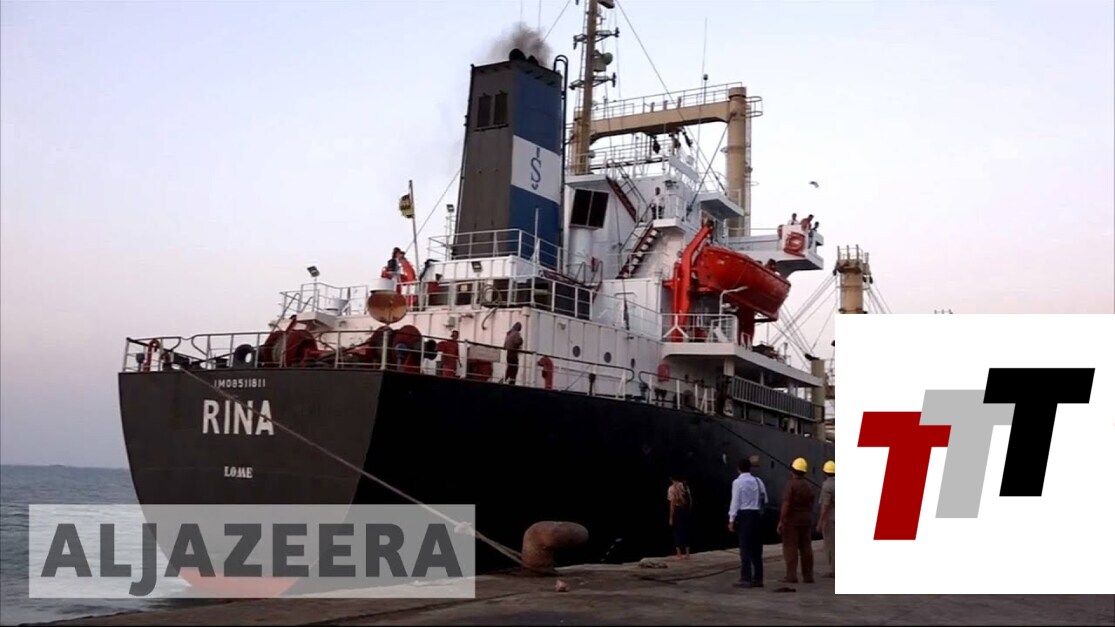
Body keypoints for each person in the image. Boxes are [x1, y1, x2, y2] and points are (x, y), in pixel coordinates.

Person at [728, 458, 767, 588]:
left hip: (744, 516)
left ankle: (746, 578)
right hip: (757, 515)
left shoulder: (737, 482)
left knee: (745, 548)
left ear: (738, 468)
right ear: (750, 468)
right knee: (757, 549)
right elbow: (765, 499)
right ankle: (758, 578)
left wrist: (731, 520)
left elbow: (735, 501)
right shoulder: (758, 481)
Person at [778, 457, 816, 584]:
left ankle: (791, 576)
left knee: (791, 548)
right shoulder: (809, 486)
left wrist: (781, 521)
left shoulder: (791, 485)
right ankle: (808, 576)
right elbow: (812, 503)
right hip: (806, 520)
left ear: (793, 471)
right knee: (806, 548)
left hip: (792, 521)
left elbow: (786, 504)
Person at [817, 460, 835, 577]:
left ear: (825, 472)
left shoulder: (827, 485)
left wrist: (820, 522)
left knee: (831, 545)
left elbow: (825, 506)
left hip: (831, 519)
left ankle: (834, 570)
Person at [668, 475, 692, 560]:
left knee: (677, 532)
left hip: (678, 510)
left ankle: (679, 554)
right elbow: (690, 500)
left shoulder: (672, 488)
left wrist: (671, 517)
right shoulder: (684, 486)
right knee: (686, 531)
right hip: (685, 510)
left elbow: (672, 503)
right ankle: (687, 553)